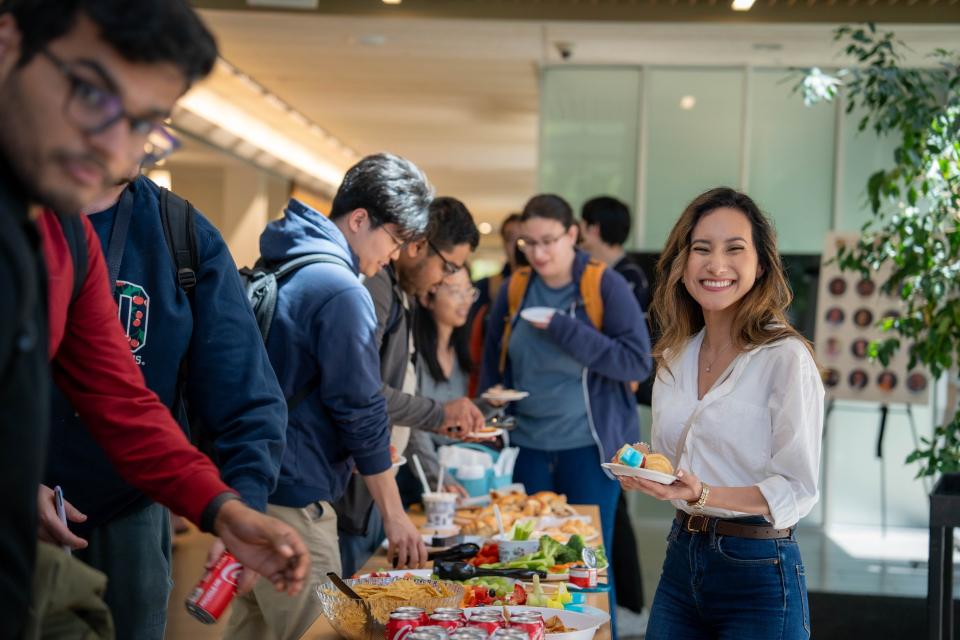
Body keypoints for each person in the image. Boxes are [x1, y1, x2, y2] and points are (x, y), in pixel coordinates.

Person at [0, 2, 307, 636]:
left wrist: (224, 508)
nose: (114, 146)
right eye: (92, 95)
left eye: (142, 123)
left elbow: (121, 400)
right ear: (7, 44)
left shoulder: (63, 232)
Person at [43, 171, 287, 639]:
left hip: (127, 509)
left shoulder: (182, 235)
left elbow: (129, 403)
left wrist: (234, 507)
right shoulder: (26, 221)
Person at [225, 153, 433, 640]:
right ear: (359, 219)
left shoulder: (285, 262)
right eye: (395, 240)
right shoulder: (341, 290)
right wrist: (395, 514)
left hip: (252, 487)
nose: (395, 255)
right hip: (297, 503)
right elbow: (359, 408)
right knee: (328, 632)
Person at [619, 187, 823, 639]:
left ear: (761, 265)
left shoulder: (785, 357)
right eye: (701, 249)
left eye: (735, 249)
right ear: (682, 263)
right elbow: (686, 464)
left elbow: (797, 488)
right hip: (681, 558)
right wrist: (646, 465)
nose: (716, 265)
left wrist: (704, 495)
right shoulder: (675, 354)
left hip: (758, 570)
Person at [479, 194, 653, 638]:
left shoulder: (603, 286)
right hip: (528, 447)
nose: (538, 253)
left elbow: (636, 363)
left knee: (589, 566)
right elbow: (494, 364)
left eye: (548, 241)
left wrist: (565, 329)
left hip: (588, 448)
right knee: (529, 564)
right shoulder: (515, 287)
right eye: (528, 243)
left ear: (573, 235)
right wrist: (492, 401)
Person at [338, 195, 483, 575]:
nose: (441, 281)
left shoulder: (400, 295)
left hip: (370, 486)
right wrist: (437, 414)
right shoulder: (376, 288)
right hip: (349, 490)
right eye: (447, 268)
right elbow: (366, 394)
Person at [579, 195, 653, 635]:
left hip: (616, 412)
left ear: (593, 229)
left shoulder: (620, 279)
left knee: (617, 510)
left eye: (582, 228)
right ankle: (626, 604)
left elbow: (630, 355)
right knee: (617, 508)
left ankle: (628, 605)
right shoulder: (625, 275)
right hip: (613, 410)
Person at [468, 212, 522, 396]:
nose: (515, 246)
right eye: (509, 238)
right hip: (492, 375)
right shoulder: (489, 286)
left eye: (522, 240)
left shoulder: (541, 287)